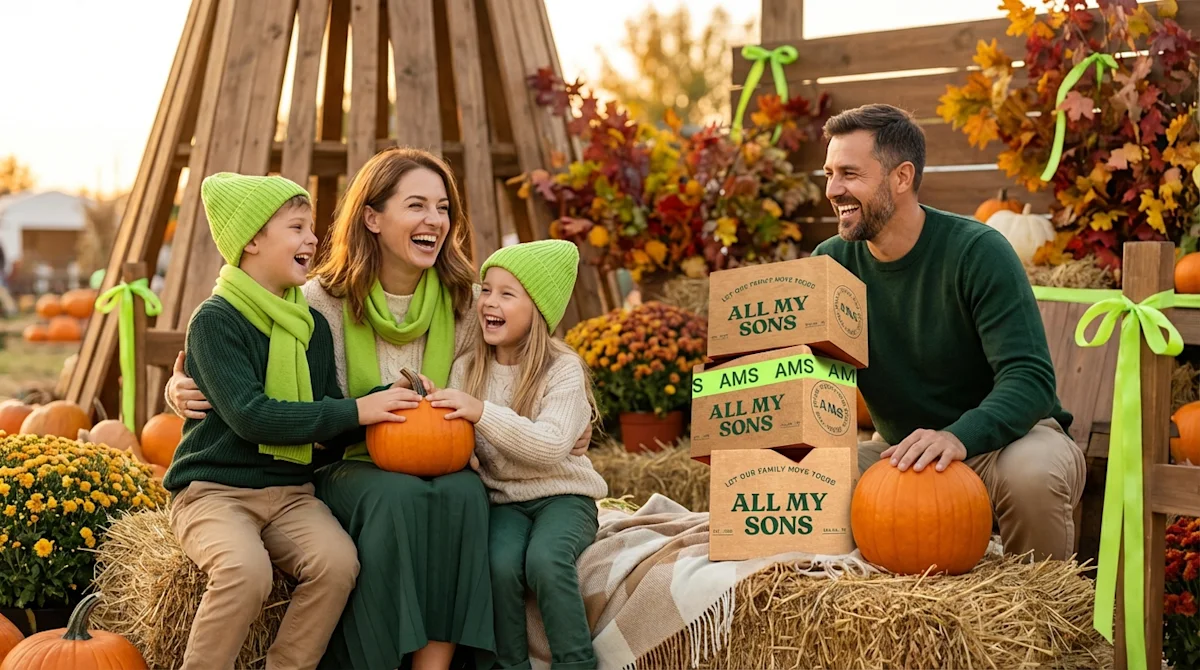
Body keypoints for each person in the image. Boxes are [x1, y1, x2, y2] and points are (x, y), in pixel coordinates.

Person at [164, 148, 591, 670]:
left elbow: (531, 346)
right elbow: (247, 373)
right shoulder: (319, 303)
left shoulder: (467, 300)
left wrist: (571, 421)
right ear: (372, 217)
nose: (434, 219)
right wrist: (181, 385)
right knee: (395, 498)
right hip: (349, 458)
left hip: (438, 452)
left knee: (462, 492)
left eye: (442, 208)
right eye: (416, 205)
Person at [164, 172, 417, 670]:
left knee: (338, 564)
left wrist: (384, 403)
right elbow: (251, 417)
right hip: (215, 491)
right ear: (253, 240)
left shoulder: (311, 325)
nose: (312, 239)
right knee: (245, 571)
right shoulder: (215, 321)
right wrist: (355, 409)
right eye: (297, 228)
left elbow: (326, 420)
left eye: (311, 228)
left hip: (291, 493)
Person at [811, 104, 1086, 561]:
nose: (833, 189)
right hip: (900, 454)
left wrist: (958, 436)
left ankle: (1043, 624)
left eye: (850, 174)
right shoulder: (830, 263)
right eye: (829, 173)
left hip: (1006, 442)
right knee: (808, 480)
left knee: (1032, 475)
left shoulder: (978, 252)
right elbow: (812, 375)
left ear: (901, 178)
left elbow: (1030, 380)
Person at [424, 239, 606, 670]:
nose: (490, 302)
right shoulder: (468, 367)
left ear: (538, 311)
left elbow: (549, 445)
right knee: (498, 564)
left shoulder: (562, 369)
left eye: (508, 294)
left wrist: (481, 412)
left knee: (545, 560)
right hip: (504, 500)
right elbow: (462, 443)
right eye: (486, 290)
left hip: (564, 497)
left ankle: (576, 663)